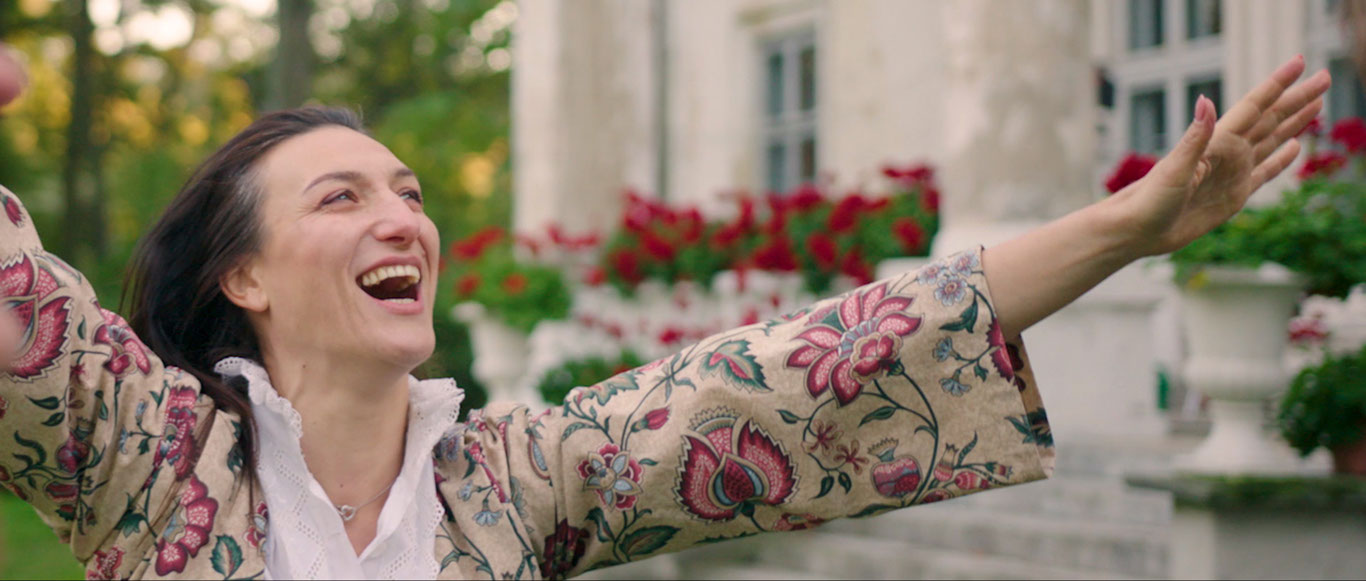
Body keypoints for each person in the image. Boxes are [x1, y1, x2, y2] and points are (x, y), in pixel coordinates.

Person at [0, 38, 1329, 579]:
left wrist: (1126, 226)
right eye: (340, 198)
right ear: (242, 277)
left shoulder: (519, 479)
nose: (402, 219)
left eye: (408, 193)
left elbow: (814, 370)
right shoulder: (145, 452)